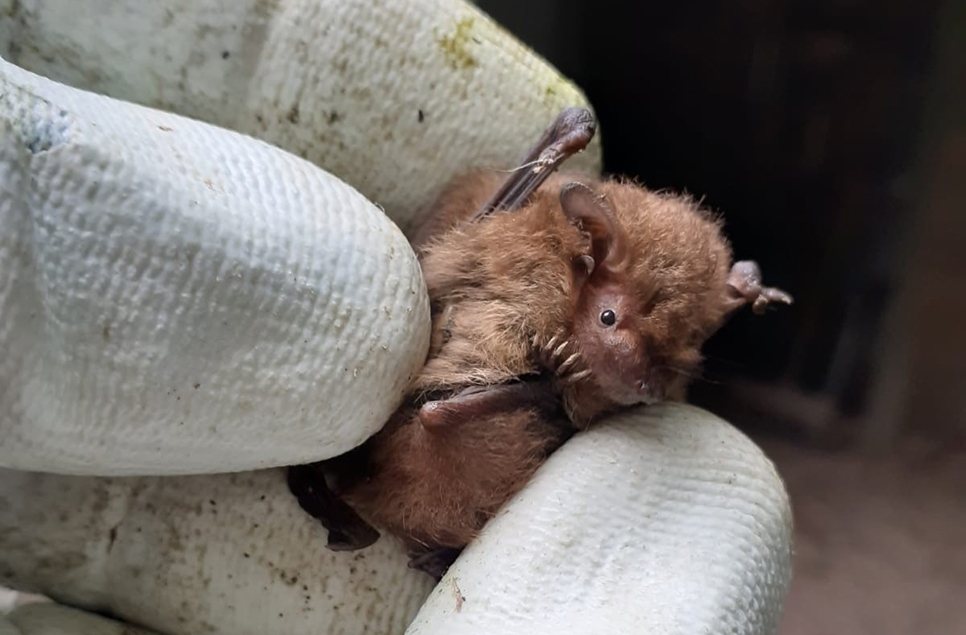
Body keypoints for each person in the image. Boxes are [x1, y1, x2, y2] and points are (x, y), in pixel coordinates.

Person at [0, 1, 792, 633]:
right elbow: (455, 290)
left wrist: (719, 298)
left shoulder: (604, 354)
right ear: (590, 252)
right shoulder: (518, 260)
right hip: (439, 414)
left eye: (661, 358)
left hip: (444, 463)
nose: (636, 368)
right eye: (614, 320)